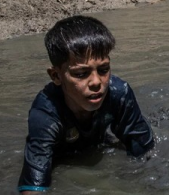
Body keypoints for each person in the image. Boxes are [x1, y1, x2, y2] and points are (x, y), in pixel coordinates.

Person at [18, 16, 154, 193]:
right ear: (56, 76)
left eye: (104, 70)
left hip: (98, 141)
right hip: (62, 156)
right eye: (81, 74)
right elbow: (32, 187)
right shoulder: (46, 114)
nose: (97, 82)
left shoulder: (118, 93)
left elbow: (145, 152)